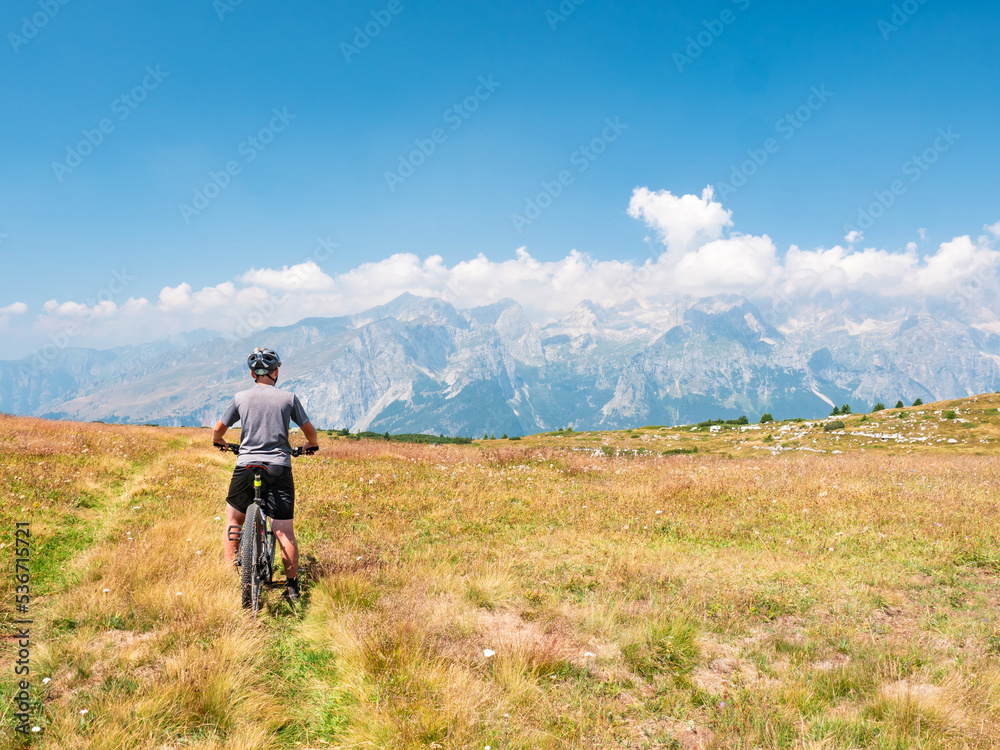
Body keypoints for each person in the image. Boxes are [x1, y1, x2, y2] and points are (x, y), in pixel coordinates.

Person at [212, 347, 319, 602]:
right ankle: (292, 589)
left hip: (246, 466)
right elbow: (311, 434)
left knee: (234, 518)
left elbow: (217, 431)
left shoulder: (240, 398)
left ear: (252, 374)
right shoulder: (288, 398)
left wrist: (222, 443)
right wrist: (309, 446)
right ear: (276, 372)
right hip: (278, 467)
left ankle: (230, 574)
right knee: (283, 530)